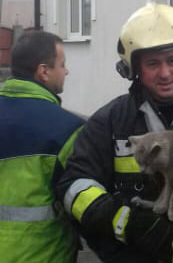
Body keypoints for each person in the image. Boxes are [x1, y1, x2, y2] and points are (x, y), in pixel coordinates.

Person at [57, 3, 173, 262]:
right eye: (153, 64)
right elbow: (73, 188)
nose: (165, 73)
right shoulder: (109, 122)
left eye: (172, 60)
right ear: (134, 69)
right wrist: (128, 225)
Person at [0, 31, 85, 262]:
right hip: (43, 253)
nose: (66, 71)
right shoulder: (68, 128)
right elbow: (80, 198)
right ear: (43, 71)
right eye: (62, 64)